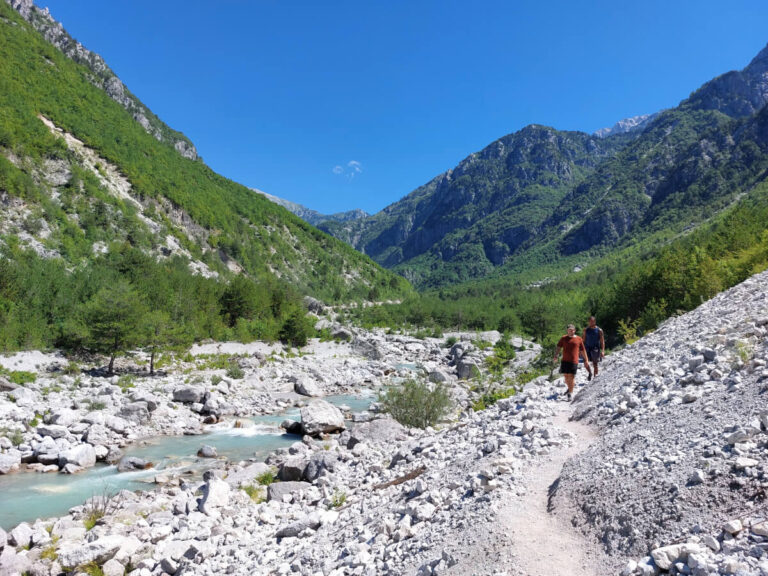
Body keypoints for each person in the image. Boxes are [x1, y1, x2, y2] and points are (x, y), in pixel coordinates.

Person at [553, 324, 591, 401]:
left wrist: (586, 360)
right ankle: (570, 386)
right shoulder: (563, 338)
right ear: (567, 330)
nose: (571, 331)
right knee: (566, 378)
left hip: (574, 361)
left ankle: (570, 393)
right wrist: (556, 356)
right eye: (570, 330)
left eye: (573, 330)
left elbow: (583, 350)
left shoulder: (579, 339)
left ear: (575, 330)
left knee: (571, 376)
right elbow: (558, 347)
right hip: (564, 361)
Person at [582, 316, 605, 380]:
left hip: (595, 348)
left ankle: (595, 378)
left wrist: (602, 351)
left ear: (595, 321)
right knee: (585, 363)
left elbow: (602, 341)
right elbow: (583, 340)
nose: (591, 323)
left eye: (593, 321)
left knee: (595, 364)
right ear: (588, 322)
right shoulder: (585, 330)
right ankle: (590, 373)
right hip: (587, 348)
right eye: (590, 321)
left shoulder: (599, 330)